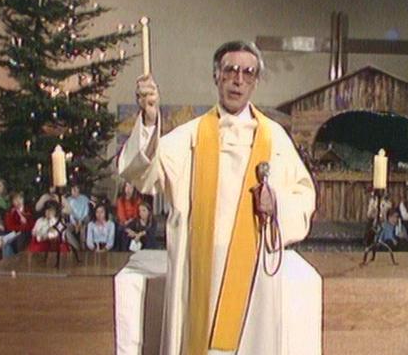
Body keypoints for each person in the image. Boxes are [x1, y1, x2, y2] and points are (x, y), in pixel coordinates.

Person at [118, 40, 316, 354]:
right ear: (217, 77)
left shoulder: (274, 138)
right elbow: (142, 174)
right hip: (200, 272)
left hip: (253, 277)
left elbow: (304, 195)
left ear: (255, 82)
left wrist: (276, 203)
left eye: (248, 73)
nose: (238, 79)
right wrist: (150, 119)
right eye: (231, 70)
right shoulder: (190, 137)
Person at [67, 183, 90, 247]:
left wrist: (80, 221)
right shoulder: (69, 200)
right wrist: (75, 224)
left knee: (83, 227)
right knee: (66, 230)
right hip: (73, 221)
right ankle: (76, 247)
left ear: (79, 190)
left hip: (83, 219)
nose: (73, 191)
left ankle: (83, 247)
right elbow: (70, 213)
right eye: (72, 190)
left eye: (75, 189)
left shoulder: (84, 198)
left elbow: (86, 211)